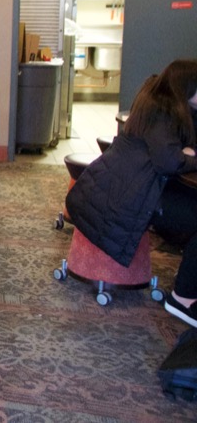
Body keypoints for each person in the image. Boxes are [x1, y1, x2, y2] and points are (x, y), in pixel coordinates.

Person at [66, 59, 197, 326]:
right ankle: (182, 299)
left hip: (126, 187)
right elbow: (169, 161)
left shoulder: (158, 102)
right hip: (130, 198)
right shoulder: (164, 111)